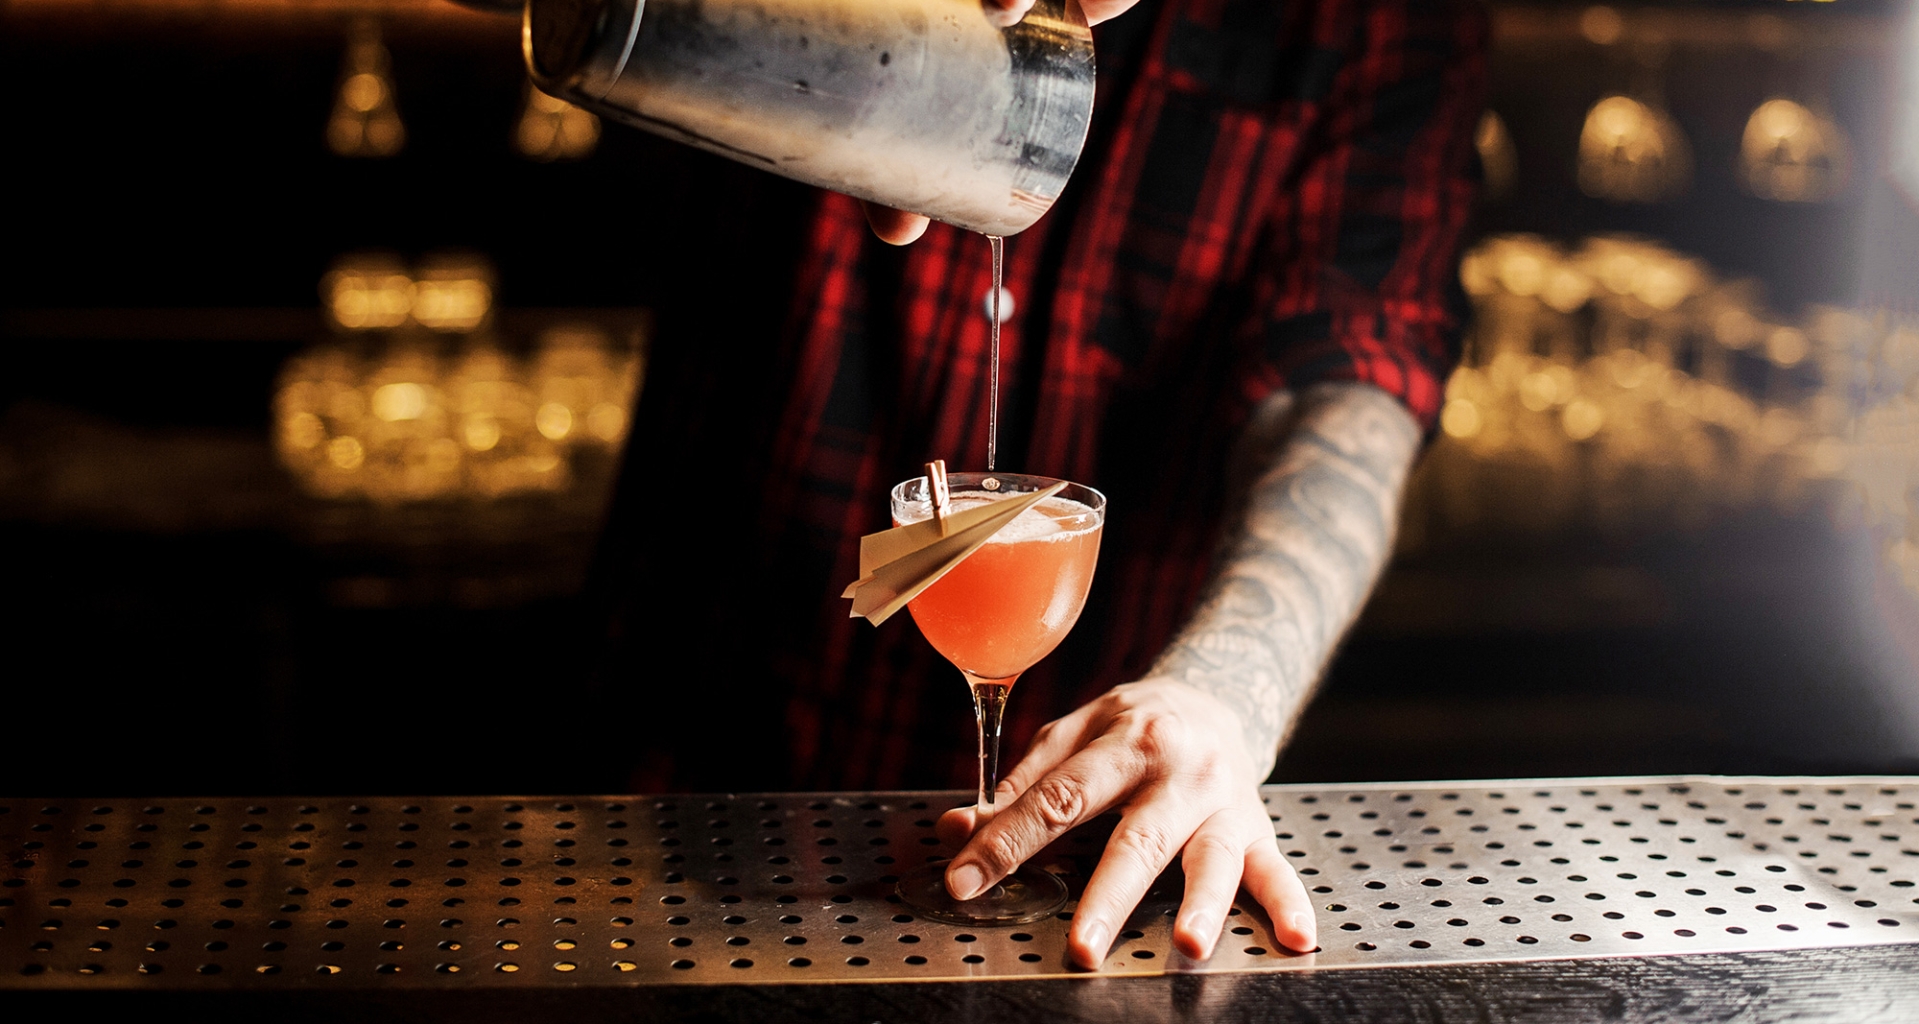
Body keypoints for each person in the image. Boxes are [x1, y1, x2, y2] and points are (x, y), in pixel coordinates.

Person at [595, 0, 1487, 970]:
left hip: (1082, 852)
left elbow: (1351, 381)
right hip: (699, 767)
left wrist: (1223, 692)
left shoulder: (1377, 20)